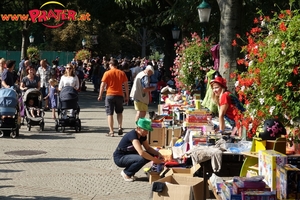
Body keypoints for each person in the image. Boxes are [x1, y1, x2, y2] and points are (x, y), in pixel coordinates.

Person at [113, 118, 164, 182]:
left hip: (130, 155)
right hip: (120, 158)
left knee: (150, 154)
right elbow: (141, 152)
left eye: (147, 130)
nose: (147, 133)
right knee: (141, 158)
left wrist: (157, 153)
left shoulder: (142, 135)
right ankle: (126, 173)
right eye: (145, 130)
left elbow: (148, 148)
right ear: (138, 128)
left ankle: (131, 172)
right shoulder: (133, 136)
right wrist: (155, 160)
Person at [98, 59, 129, 137]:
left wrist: (100, 95)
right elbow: (126, 86)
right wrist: (126, 96)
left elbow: (102, 85)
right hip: (119, 95)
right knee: (119, 112)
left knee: (109, 113)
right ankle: (120, 127)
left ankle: (111, 131)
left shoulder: (107, 73)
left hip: (110, 95)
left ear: (111, 65)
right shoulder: (122, 73)